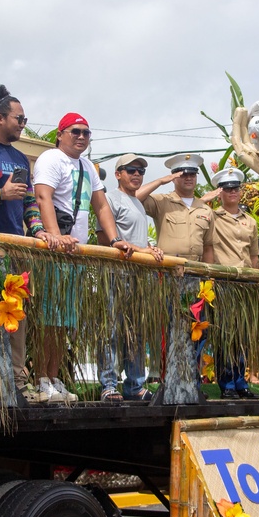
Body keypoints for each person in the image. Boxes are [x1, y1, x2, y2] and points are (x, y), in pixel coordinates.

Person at [33, 112, 138, 402]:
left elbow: (101, 205)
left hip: (75, 252)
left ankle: (53, 379)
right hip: (55, 251)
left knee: (64, 320)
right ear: (60, 133)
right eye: (75, 131)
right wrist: (54, 234)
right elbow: (43, 196)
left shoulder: (87, 166)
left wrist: (115, 239)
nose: (81, 137)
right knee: (49, 319)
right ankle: (42, 380)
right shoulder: (51, 159)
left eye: (86, 133)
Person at [0, 85, 62, 401]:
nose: (23, 124)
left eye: (25, 120)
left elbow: (29, 204)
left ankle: (18, 380)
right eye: (18, 118)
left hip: (17, 245)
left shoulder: (20, 157)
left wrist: (37, 232)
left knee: (16, 312)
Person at [95, 154, 164, 402]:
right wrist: (138, 249)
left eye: (141, 171)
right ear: (118, 174)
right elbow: (103, 236)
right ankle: (109, 385)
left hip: (138, 276)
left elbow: (136, 239)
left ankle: (135, 385)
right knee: (112, 329)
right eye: (130, 170)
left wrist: (149, 248)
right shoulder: (110, 199)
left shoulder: (136, 202)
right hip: (116, 273)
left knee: (137, 331)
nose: (136, 174)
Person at [209, 167, 259, 399]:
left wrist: (258, 279)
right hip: (224, 282)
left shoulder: (250, 221)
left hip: (246, 284)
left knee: (243, 336)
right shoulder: (212, 217)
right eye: (227, 188)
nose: (232, 192)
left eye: (235, 188)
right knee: (226, 334)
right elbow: (192, 207)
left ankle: (241, 382)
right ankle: (227, 384)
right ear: (220, 192)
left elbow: (254, 255)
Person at [137, 154, 215, 263]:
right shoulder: (162, 202)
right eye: (183, 175)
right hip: (167, 267)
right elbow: (134, 197)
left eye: (192, 174)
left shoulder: (205, 209)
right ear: (173, 178)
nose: (188, 178)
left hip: (196, 270)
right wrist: (160, 181)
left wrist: (208, 276)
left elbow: (208, 247)